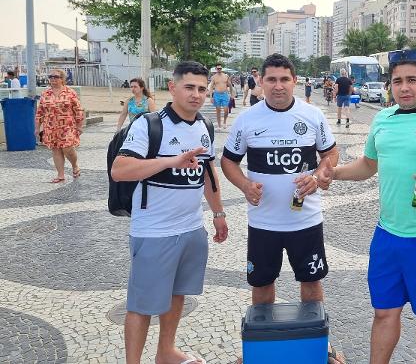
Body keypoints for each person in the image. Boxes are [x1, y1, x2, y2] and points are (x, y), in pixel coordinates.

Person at [318, 49, 416, 364]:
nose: (404, 87)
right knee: (384, 312)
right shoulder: (382, 118)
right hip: (387, 236)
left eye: (412, 80)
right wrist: (335, 173)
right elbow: (368, 165)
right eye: (397, 81)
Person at [220, 54, 344, 364]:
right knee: (262, 285)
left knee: (312, 283)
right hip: (263, 223)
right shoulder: (247, 119)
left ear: (295, 81)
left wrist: (318, 177)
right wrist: (245, 185)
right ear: (260, 82)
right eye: (271, 79)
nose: (278, 86)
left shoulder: (313, 115)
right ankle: (261, 348)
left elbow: (331, 154)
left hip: (306, 221)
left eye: (284, 79)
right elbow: (228, 161)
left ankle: (319, 347)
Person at [111, 61, 228, 364]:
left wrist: (218, 214)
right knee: (141, 304)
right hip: (154, 231)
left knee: (178, 293)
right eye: (189, 87)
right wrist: (168, 162)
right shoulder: (149, 124)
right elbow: (120, 170)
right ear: (172, 87)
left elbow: (206, 172)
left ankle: (166, 352)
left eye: (202, 88)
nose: (197, 94)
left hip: (191, 227)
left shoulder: (205, 126)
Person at [34, 68, 85, 183]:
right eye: (50, 77)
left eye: (55, 77)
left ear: (62, 79)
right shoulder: (45, 93)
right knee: (56, 150)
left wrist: (79, 125)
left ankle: (75, 165)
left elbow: (78, 110)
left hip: (67, 126)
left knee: (67, 148)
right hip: (50, 127)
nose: (52, 79)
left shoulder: (70, 92)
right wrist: (37, 127)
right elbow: (40, 112)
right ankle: (60, 175)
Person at [208, 63, 234, 129]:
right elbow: (211, 87)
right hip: (217, 95)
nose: (219, 69)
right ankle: (219, 125)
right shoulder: (213, 77)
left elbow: (230, 86)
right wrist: (211, 97)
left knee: (226, 110)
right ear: (216, 69)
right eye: (218, 68)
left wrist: (232, 94)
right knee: (218, 110)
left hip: (224, 94)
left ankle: (224, 122)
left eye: (220, 68)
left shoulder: (226, 76)